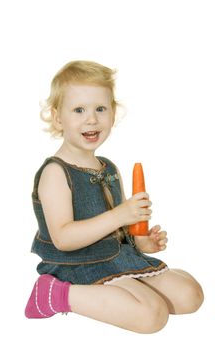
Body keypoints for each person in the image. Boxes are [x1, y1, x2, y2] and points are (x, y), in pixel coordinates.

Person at [25, 60, 204, 333]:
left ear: (112, 113)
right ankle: (54, 294)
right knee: (152, 316)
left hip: (117, 258)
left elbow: (116, 229)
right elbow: (63, 238)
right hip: (77, 265)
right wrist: (120, 214)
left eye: (100, 108)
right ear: (58, 117)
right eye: (79, 110)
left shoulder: (108, 169)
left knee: (190, 294)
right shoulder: (55, 173)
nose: (92, 119)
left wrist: (140, 241)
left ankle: (123, 292)